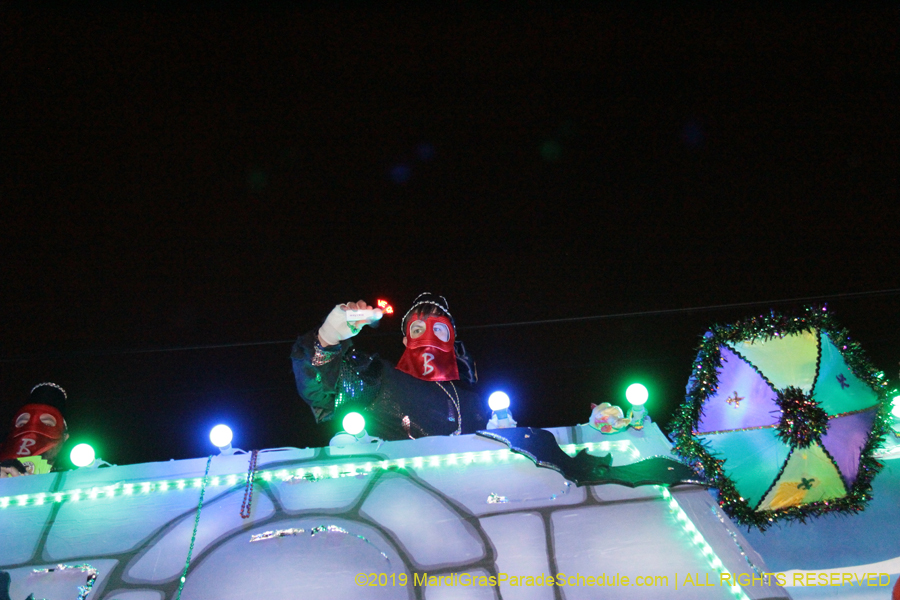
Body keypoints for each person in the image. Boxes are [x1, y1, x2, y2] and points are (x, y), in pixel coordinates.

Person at [292, 293, 483, 440]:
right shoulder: (379, 378)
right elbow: (320, 391)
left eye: (438, 329)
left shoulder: (475, 403)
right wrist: (327, 338)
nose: (428, 336)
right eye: (418, 329)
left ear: (452, 338)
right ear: (407, 341)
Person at [0, 383, 69, 476]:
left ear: (65, 438)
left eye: (47, 424)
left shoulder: (76, 475)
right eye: (22, 424)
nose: (32, 430)